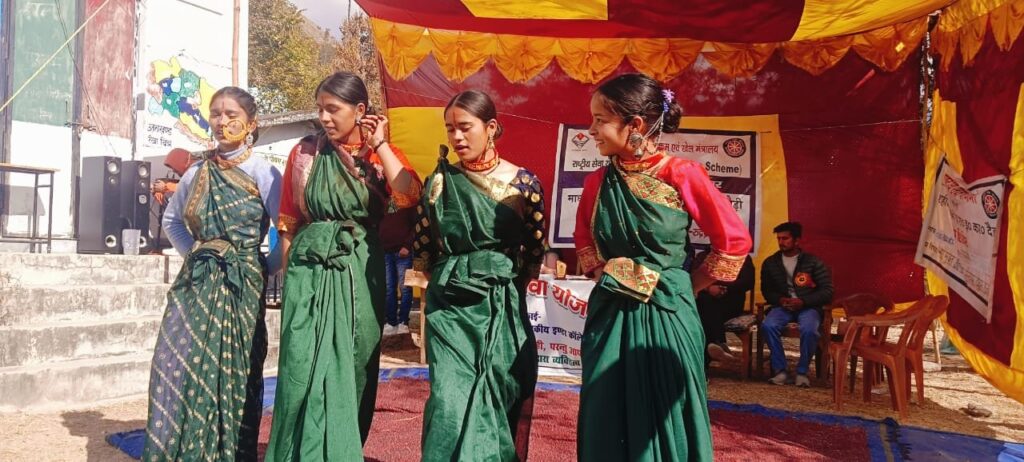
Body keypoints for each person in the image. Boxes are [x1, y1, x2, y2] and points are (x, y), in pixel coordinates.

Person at [573, 73, 752, 462]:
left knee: (666, 417)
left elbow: (734, 241)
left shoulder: (681, 173)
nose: (591, 130)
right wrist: (611, 275)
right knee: (607, 413)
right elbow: (584, 242)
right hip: (611, 316)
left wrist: (686, 285)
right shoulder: (597, 182)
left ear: (635, 125)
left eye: (600, 120)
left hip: (668, 315)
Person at [265, 72, 422, 461]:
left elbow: (408, 195)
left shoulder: (377, 158)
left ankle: (341, 449)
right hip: (308, 273)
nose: (324, 117)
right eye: (320, 109)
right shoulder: (305, 154)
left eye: (333, 109)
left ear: (360, 110)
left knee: (353, 361)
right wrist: (292, 284)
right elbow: (288, 222)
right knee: (301, 363)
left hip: (359, 271)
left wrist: (380, 144)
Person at [144, 86, 282, 460]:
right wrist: (197, 254)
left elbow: (286, 230)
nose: (222, 122)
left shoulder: (264, 172)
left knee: (236, 370)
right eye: (216, 113)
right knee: (181, 362)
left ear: (251, 123)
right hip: (197, 284)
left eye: (231, 114)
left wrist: (262, 268)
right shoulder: (197, 172)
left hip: (242, 286)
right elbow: (173, 221)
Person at [413, 90, 545, 461]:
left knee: (498, 389)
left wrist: (508, 285)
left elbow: (535, 247)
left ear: (490, 127)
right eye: (449, 128)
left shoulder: (523, 184)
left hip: (501, 306)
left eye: (465, 127)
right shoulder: (439, 182)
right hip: (450, 309)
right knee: (449, 398)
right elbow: (424, 245)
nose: (456, 137)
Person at [760, 221, 834, 388]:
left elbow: (827, 291)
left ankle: (802, 372)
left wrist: (804, 301)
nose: (781, 242)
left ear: (797, 240)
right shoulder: (770, 263)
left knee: (810, 330)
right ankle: (781, 371)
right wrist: (781, 300)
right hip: (783, 307)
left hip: (808, 307)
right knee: (768, 326)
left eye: (785, 238)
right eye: (779, 239)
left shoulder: (813, 262)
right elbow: (767, 291)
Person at [693, 252, 755, 362]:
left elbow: (748, 282)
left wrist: (723, 288)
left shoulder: (742, 257)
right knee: (705, 303)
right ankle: (719, 344)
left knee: (706, 311)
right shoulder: (702, 256)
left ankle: (708, 357)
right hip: (705, 303)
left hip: (730, 302)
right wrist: (708, 288)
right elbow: (692, 279)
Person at [381, 191, 417, 336]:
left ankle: (403, 322)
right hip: (386, 251)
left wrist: (407, 245)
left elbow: (416, 225)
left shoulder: (408, 198)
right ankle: (391, 322)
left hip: (403, 251)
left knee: (405, 288)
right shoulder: (383, 198)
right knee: (389, 288)